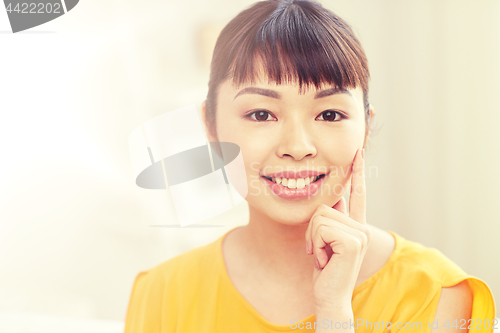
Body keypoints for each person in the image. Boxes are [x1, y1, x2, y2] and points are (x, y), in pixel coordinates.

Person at [123, 0, 496, 332]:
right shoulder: (161, 293)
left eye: (330, 113)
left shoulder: (435, 297)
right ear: (210, 125)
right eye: (261, 113)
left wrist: (334, 315)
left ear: (365, 127)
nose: (297, 147)